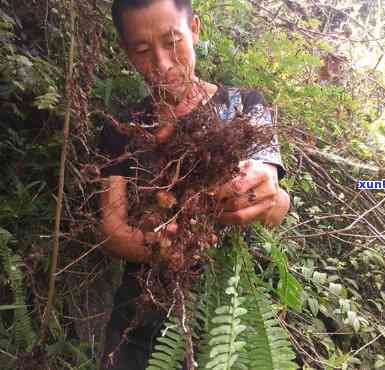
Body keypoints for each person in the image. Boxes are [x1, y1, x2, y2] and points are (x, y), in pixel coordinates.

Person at [98, 0, 290, 369]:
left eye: (173, 42)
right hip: (142, 316)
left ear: (195, 29)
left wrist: (269, 197)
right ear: (125, 51)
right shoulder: (123, 128)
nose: (162, 64)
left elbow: (273, 201)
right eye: (141, 50)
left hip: (228, 313)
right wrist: (158, 246)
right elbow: (112, 227)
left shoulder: (243, 107)